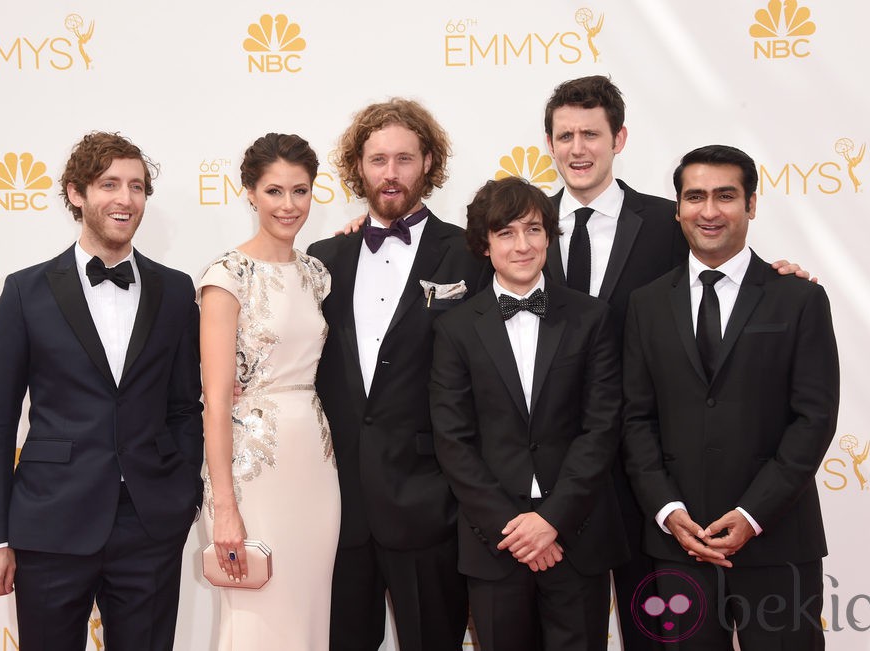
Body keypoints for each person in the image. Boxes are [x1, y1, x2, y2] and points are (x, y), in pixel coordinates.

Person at [541, 76, 809, 649]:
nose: (579, 148)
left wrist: (781, 278)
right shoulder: (522, 225)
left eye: (592, 133)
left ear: (620, 139)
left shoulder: (673, 222)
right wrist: (363, 227)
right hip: (560, 477)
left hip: (659, 484)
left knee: (660, 638)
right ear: (549, 144)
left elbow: (728, 277)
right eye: (566, 135)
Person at [0, 132, 203, 650]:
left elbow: (185, 407)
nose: (125, 199)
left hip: (148, 527)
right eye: (109, 185)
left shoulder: (175, 291)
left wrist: (182, 495)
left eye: (137, 187)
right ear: (76, 194)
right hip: (51, 523)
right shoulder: (24, 292)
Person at [621, 145, 839, 649]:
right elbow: (636, 418)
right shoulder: (646, 304)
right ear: (677, 209)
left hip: (778, 540)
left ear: (752, 205)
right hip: (680, 546)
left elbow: (814, 419)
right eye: (695, 196)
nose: (710, 210)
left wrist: (751, 515)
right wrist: (668, 509)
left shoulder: (800, 298)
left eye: (726, 195)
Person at [307, 98, 481, 651]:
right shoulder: (324, 257)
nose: (390, 173)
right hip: (339, 503)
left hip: (429, 500)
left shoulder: (470, 254)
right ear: (358, 167)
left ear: (428, 162)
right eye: (377, 159)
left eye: (404, 158)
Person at [430, 177, 628, 650]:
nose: (522, 245)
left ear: (548, 236)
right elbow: (452, 439)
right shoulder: (454, 328)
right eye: (506, 233)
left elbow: (601, 427)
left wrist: (551, 520)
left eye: (533, 230)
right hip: (496, 542)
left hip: (576, 536)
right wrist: (516, 529)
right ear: (485, 244)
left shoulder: (591, 317)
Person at [198, 133, 339, 650]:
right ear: (250, 193)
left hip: (317, 464)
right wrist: (225, 507)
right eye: (275, 191)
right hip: (252, 468)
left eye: (300, 192)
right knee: (257, 617)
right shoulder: (226, 277)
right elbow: (215, 400)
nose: (289, 205)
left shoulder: (316, 273)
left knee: (308, 610)